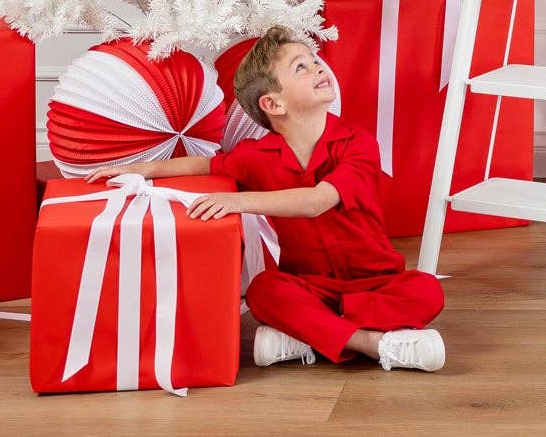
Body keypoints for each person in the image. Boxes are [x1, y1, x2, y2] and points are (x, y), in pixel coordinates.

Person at [87, 27, 447, 372]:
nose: (319, 67)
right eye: (301, 67)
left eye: (314, 60)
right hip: (311, 286)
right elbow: (205, 163)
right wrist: (141, 168)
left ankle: (311, 336)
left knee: (426, 290)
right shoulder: (255, 156)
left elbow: (318, 200)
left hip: (377, 284)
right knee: (264, 291)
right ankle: (373, 343)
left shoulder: (358, 143)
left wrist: (241, 202)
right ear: (273, 103)